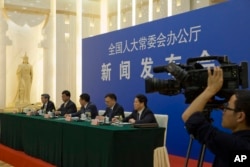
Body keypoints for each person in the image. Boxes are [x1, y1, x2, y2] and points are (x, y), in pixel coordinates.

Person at [182, 67, 250, 167]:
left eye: (227, 107)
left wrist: (210, 90)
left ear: (240, 116)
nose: (223, 111)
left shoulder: (234, 146)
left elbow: (189, 118)